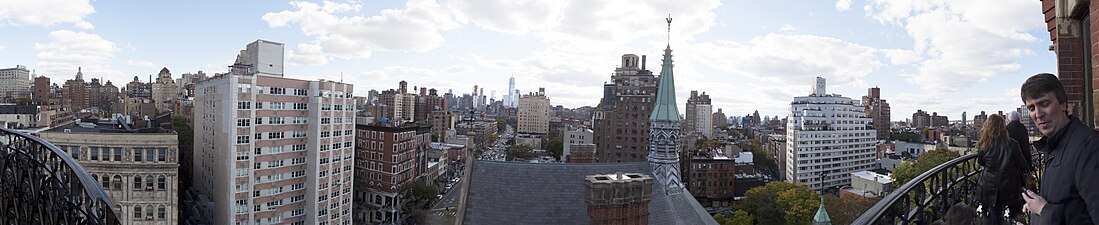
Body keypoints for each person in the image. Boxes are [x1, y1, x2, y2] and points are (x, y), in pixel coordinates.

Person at [1019, 73, 1099, 224]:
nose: (1038, 114)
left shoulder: (1089, 148)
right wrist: (1036, 211)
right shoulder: (1055, 144)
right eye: (1031, 107)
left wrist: (1044, 211)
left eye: (1044, 104)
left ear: (1063, 104)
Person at [977, 114, 1028, 224]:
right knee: (1015, 212)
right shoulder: (1013, 144)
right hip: (1010, 185)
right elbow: (1022, 164)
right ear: (1003, 127)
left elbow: (981, 162)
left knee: (995, 214)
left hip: (991, 186)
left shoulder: (984, 145)